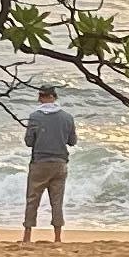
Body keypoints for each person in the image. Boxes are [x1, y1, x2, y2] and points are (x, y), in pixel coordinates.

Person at [19, 84, 77, 243]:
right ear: (54, 97)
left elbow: (29, 142)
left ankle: (27, 236)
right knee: (57, 201)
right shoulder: (67, 117)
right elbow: (72, 141)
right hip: (60, 163)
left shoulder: (35, 117)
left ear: (42, 97)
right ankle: (57, 237)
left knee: (32, 199)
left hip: (40, 163)